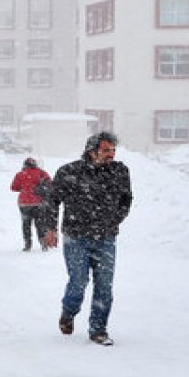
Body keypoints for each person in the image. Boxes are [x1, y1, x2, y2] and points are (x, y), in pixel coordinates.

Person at [40, 132, 133, 346]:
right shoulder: (69, 172)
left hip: (106, 237)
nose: (111, 154)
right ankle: (69, 311)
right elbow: (52, 200)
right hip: (76, 237)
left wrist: (114, 220)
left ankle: (98, 329)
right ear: (92, 151)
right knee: (79, 281)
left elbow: (126, 200)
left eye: (113, 150)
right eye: (106, 150)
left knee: (104, 286)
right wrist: (50, 229)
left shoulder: (119, 171)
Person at [11, 157, 51, 251]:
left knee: (26, 224)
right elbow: (50, 184)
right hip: (38, 202)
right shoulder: (41, 173)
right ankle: (43, 243)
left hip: (24, 203)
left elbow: (13, 187)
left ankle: (27, 244)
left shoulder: (20, 174)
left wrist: (24, 188)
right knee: (40, 224)